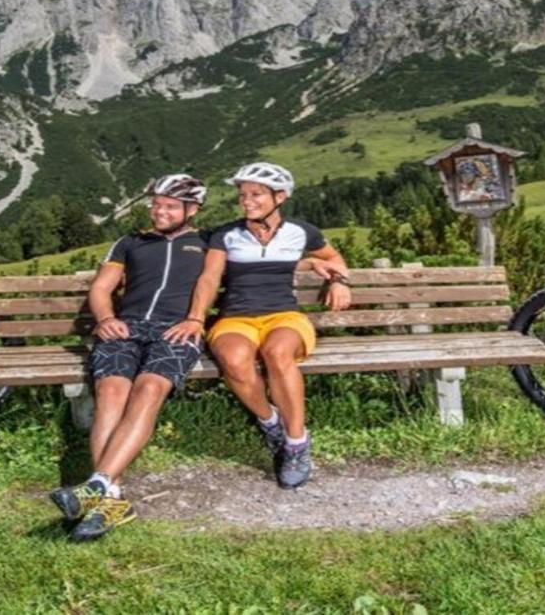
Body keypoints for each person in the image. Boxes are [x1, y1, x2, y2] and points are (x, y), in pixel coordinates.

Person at [50, 174, 209, 541]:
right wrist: (106, 319)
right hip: (126, 327)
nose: (159, 211)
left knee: (150, 388)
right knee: (110, 392)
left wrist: (328, 270)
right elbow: (102, 288)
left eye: (169, 206)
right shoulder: (129, 242)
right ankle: (111, 495)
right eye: (155, 204)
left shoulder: (207, 243)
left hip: (176, 330)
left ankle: (97, 487)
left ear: (192, 209)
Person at [182, 162, 351, 489]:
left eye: (255, 194)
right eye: (242, 194)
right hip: (235, 317)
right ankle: (270, 421)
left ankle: (297, 442)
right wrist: (196, 317)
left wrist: (339, 281)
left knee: (277, 352)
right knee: (233, 360)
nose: (246, 201)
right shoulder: (225, 234)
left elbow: (335, 259)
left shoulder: (301, 231)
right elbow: (210, 276)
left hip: (285, 315)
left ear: (280, 196)